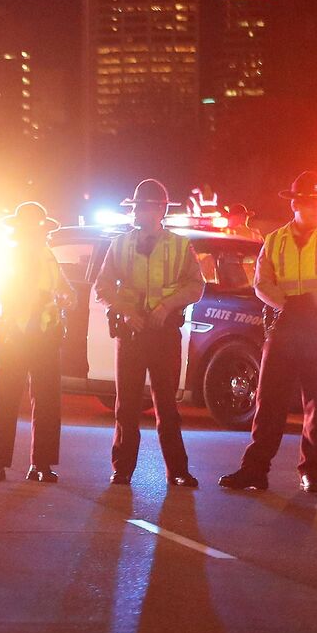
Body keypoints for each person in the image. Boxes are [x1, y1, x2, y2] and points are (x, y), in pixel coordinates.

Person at [221, 171, 317, 494]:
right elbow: (261, 282)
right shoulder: (275, 240)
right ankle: (255, 471)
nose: (315, 209)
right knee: (268, 402)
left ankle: (311, 472)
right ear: (295, 204)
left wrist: (309, 301)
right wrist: (286, 304)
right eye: (309, 203)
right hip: (284, 325)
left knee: (316, 404)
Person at [94, 179, 202, 488]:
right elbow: (102, 286)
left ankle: (177, 471)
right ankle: (122, 469)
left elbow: (196, 285)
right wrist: (127, 311)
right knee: (126, 406)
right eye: (135, 206)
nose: (136, 212)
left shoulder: (180, 246)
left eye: (142, 207)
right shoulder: (121, 244)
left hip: (164, 333)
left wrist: (166, 307)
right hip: (131, 334)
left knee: (166, 406)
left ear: (160, 210)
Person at [0, 202, 71, 483]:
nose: (37, 234)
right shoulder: (7, 258)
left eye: (39, 229)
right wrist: (39, 300)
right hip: (14, 336)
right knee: (6, 400)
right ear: (20, 231)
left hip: (44, 337)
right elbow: (4, 293)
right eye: (32, 229)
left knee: (46, 402)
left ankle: (41, 465)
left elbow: (63, 287)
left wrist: (67, 296)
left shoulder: (48, 257)